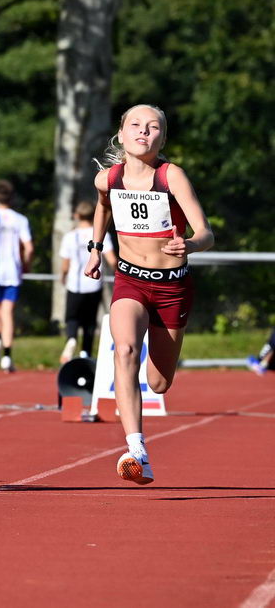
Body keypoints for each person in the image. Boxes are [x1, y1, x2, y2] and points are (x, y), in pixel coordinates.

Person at [84, 104, 213, 486]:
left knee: (158, 383)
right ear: (121, 134)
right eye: (136, 125)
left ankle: (140, 436)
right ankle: (136, 448)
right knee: (123, 349)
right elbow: (102, 210)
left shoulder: (172, 177)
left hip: (173, 287)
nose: (144, 132)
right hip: (130, 281)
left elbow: (207, 232)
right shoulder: (107, 179)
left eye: (153, 127)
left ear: (162, 138)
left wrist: (190, 244)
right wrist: (95, 248)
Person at [0, 180, 34, 373]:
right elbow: (29, 247)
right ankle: (7, 356)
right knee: (7, 313)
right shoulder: (20, 220)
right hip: (13, 271)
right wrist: (25, 264)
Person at [59, 200, 118, 363]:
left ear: (77, 216)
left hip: (74, 284)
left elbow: (65, 264)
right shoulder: (101, 235)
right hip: (93, 284)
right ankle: (85, 353)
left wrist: (63, 277)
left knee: (72, 317)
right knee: (89, 321)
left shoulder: (70, 236)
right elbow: (112, 260)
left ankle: (71, 339)